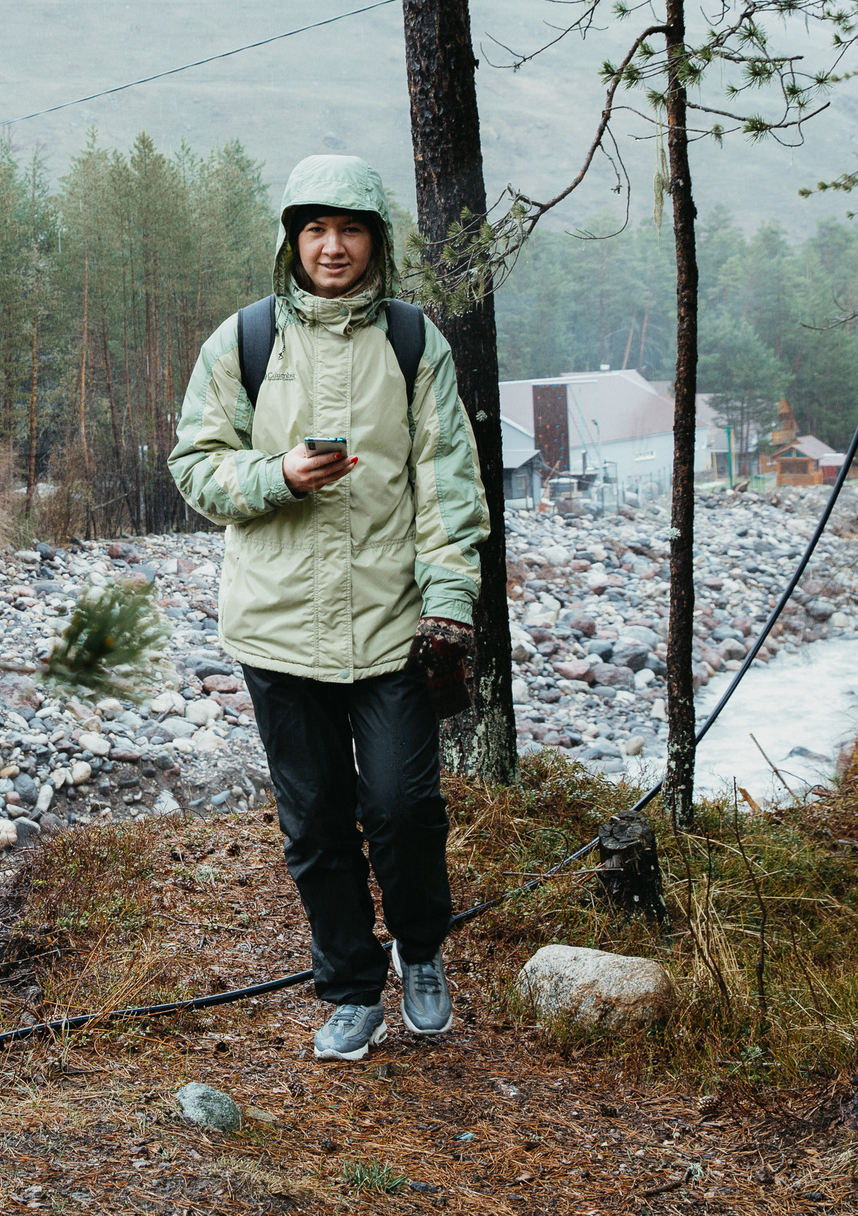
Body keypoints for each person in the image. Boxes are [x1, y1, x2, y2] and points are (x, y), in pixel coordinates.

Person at [167, 154, 489, 1061]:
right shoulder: (244, 340)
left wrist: (452, 602)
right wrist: (277, 477)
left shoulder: (414, 342)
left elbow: (448, 487)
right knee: (314, 823)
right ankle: (350, 988)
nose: (332, 246)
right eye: (315, 229)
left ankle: (420, 951)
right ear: (291, 241)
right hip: (277, 625)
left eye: (349, 229)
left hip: (394, 622)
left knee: (402, 805)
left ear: (376, 240)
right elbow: (194, 465)